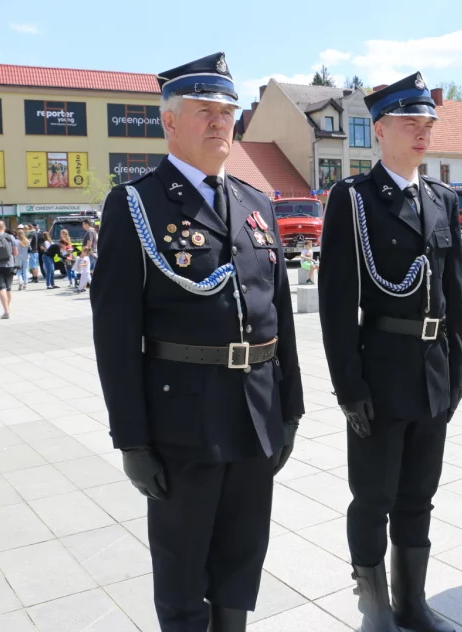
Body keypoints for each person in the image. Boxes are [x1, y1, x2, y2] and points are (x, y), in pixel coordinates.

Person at [91, 52, 304, 632]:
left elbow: (278, 313)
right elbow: (114, 337)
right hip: (183, 422)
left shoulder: (256, 204)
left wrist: (292, 408)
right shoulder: (136, 205)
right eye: (204, 111)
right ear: (169, 123)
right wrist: (131, 440)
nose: (219, 124)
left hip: (256, 412)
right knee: (183, 568)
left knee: (242, 557)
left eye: (227, 112)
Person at [318, 72, 462, 632]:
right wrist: (349, 387)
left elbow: (451, 296)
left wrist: (456, 375)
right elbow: (337, 303)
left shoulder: (442, 199)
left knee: (418, 496)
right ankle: (374, 607)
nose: (422, 130)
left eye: (427, 121)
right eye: (410, 121)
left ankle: (412, 603)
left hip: (432, 374)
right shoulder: (354, 200)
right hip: (379, 374)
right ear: (380, 130)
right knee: (373, 497)